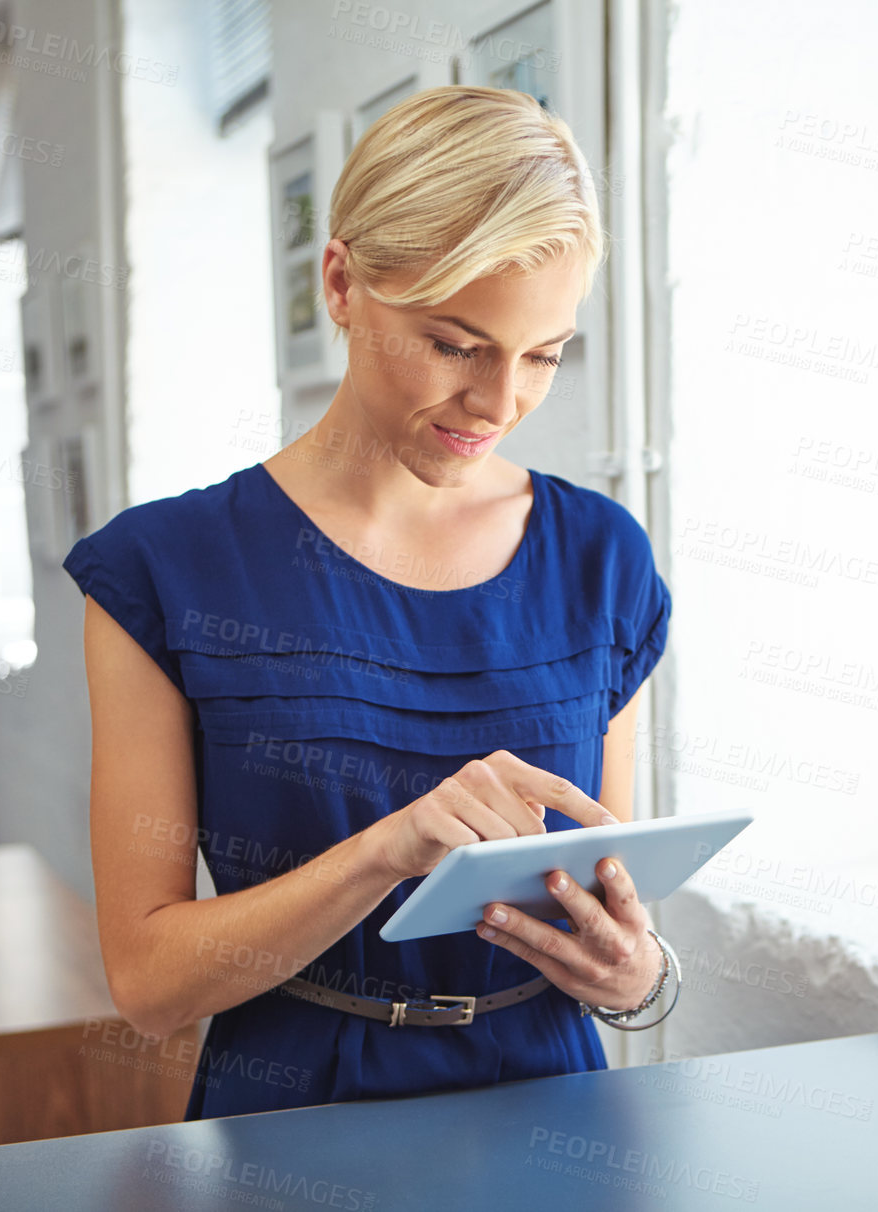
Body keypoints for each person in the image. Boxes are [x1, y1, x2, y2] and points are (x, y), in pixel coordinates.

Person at [62, 86, 678, 1120]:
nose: (498, 403)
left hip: (559, 1109)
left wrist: (636, 972)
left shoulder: (601, 559)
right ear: (341, 283)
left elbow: (603, 885)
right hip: (297, 1109)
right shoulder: (162, 570)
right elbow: (149, 981)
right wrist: (386, 851)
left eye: (543, 355)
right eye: (455, 342)